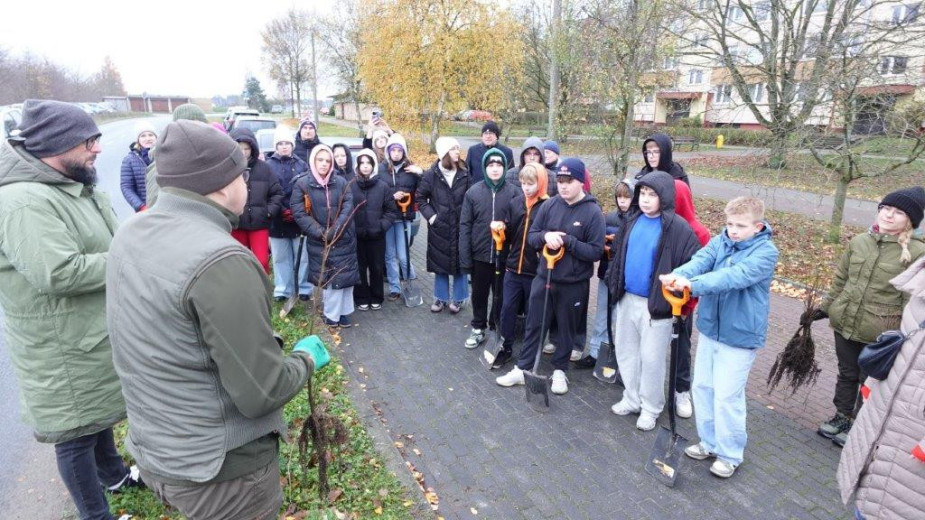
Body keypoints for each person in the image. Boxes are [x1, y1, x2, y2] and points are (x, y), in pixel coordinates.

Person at [106, 119, 329, 520]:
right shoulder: (220, 260)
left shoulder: (131, 232)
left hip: (159, 448)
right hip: (222, 473)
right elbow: (262, 390)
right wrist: (305, 359)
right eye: (242, 173)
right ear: (224, 185)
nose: (247, 181)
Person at [0, 99, 139, 520]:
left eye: (96, 138)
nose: (96, 148)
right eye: (88, 141)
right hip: (59, 344)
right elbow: (58, 272)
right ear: (55, 146)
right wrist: (131, 258)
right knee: (75, 432)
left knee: (95, 415)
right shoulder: (24, 201)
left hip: (87, 331)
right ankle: (94, 515)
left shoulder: (73, 184)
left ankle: (114, 476)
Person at [660, 196, 779, 479]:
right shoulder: (722, 240)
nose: (733, 230)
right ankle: (710, 442)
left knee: (727, 396)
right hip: (712, 328)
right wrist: (678, 275)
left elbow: (733, 277)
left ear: (757, 226)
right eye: (729, 224)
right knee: (703, 387)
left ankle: (730, 453)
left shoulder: (765, 252)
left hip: (740, 336)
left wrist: (693, 284)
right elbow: (701, 260)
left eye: (740, 225)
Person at [814, 187, 925, 447]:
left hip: (881, 331)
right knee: (846, 373)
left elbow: (911, 300)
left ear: (910, 220)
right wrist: (826, 307)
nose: (888, 215)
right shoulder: (859, 242)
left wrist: (903, 334)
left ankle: (859, 424)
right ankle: (842, 415)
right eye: (885, 209)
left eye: (898, 212)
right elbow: (841, 279)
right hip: (846, 322)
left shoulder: (918, 253)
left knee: (870, 380)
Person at [496, 158, 605, 395]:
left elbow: (595, 251)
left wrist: (569, 241)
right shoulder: (550, 205)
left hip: (573, 283)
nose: (563, 186)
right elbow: (533, 235)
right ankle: (523, 369)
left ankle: (559, 372)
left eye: (569, 181)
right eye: (561, 181)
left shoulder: (593, 212)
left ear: (581, 182)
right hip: (543, 276)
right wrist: (545, 236)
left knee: (565, 329)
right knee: (534, 325)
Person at [605, 171, 700, 430]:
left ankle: (651, 407)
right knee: (627, 352)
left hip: (656, 305)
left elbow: (694, 263)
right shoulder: (632, 221)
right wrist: (614, 281)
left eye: (652, 195)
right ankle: (632, 398)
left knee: (651, 359)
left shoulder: (677, 228)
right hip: (627, 298)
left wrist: (679, 292)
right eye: (643, 194)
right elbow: (617, 253)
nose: (645, 200)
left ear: (665, 197)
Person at [837, 254, 925, 520]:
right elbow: (906, 343)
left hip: (914, 438)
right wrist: (876, 382)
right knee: (870, 500)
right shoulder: (920, 286)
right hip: (885, 416)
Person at [292, 144, 360, 327]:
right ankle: (332, 314)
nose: (324, 164)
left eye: (328, 161)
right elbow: (299, 213)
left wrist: (336, 230)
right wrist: (321, 233)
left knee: (346, 277)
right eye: (320, 160)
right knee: (329, 278)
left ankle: (344, 312)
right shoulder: (302, 184)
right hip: (319, 240)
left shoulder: (341, 182)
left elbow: (348, 206)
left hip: (343, 237)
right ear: (313, 161)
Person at [460, 148, 520, 349]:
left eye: (499, 165)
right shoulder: (473, 192)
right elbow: (465, 225)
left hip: (505, 255)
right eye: (491, 165)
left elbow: (519, 224)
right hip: (481, 254)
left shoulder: (514, 192)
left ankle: (497, 327)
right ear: (485, 168)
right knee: (479, 293)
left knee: (501, 294)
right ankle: (478, 327)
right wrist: (466, 257)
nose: (495, 169)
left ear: (505, 167)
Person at [576, 177, 636, 369]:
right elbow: (597, 243)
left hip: (626, 278)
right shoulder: (608, 218)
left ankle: (618, 356)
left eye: (627, 197)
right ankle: (595, 352)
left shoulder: (637, 221)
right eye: (619, 197)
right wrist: (604, 246)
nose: (622, 201)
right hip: (606, 273)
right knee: (602, 313)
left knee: (620, 317)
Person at [494, 163, 550, 368]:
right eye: (523, 183)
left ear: (541, 183)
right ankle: (505, 346)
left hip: (535, 271)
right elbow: (509, 232)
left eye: (531, 184)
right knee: (507, 309)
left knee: (532, 315)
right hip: (512, 268)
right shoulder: (515, 203)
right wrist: (501, 228)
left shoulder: (548, 206)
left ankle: (529, 352)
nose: (526, 188)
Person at [669, 179, 712, 417]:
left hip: (682, 301)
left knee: (681, 347)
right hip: (657, 297)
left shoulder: (699, 232)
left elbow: (701, 271)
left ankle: (681, 390)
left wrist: (688, 304)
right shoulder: (661, 224)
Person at [417, 137, 473, 313]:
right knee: (439, 263)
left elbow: (471, 198)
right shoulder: (431, 174)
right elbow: (420, 198)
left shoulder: (465, 172)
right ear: (445, 153)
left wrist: (467, 220)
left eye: (458, 148)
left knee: (460, 263)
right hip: (439, 228)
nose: (458, 151)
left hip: (460, 227)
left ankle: (458, 299)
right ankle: (440, 298)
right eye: (454, 149)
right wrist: (432, 217)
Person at [266, 126, 313, 301]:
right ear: (276, 146)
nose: (284, 146)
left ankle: (303, 288)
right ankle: (283, 289)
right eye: (281, 143)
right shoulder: (268, 166)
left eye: (287, 143)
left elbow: (307, 191)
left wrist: (296, 211)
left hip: (299, 218)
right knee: (280, 257)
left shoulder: (301, 165)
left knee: (302, 256)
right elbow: (267, 192)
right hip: (277, 219)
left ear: (292, 145)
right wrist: (279, 211)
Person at [229, 127, 284, 274]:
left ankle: (262, 292)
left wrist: (268, 212)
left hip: (259, 223)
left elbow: (277, 193)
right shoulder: (227, 169)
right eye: (239, 148)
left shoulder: (264, 169)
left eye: (247, 148)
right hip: (236, 223)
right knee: (239, 262)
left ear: (253, 149)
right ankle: (242, 292)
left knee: (262, 262)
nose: (243, 152)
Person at [352, 148, 397, 311]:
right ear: (357, 166)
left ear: (373, 165)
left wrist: (381, 226)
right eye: (361, 163)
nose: (365, 166)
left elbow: (391, 211)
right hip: (357, 236)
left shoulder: (382, 186)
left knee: (377, 267)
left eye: (368, 163)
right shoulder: (351, 185)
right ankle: (361, 296)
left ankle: (377, 296)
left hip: (377, 236)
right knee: (360, 268)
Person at [381, 133, 423, 301]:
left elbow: (425, 189)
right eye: (393, 150)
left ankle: (408, 284)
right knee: (389, 255)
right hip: (388, 218)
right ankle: (394, 288)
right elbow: (377, 193)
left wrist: (421, 173)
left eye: (399, 150)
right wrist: (392, 195)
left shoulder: (411, 170)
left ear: (404, 152)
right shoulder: (381, 169)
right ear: (388, 152)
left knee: (404, 255)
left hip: (404, 218)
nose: (396, 153)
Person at [145, 103, 210, 207]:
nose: (197, 132)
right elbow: (155, 206)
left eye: (201, 126)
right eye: (190, 126)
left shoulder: (209, 154)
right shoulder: (163, 163)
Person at [120, 120, 156, 212]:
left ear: (156, 137)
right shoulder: (129, 160)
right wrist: (141, 206)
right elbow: (126, 187)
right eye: (143, 136)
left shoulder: (166, 154)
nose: (148, 138)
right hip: (145, 211)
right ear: (138, 140)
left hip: (166, 209)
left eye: (150, 135)